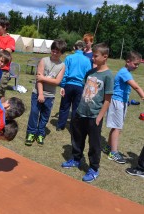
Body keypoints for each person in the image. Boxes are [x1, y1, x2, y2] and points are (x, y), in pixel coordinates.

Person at [61, 43, 114, 183]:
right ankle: (76, 158)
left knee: (94, 144)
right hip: (81, 112)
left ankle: (93, 168)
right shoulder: (90, 72)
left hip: (94, 115)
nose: (93, 58)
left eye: (95, 56)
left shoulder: (108, 76)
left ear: (105, 57)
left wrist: (99, 117)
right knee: (77, 138)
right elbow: (85, 90)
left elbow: (107, 100)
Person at [25, 39, 67, 146]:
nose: (55, 53)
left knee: (45, 116)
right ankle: (31, 133)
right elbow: (39, 79)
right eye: (53, 50)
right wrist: (40, 93)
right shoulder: (44, 60)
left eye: (57, 52)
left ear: (62, 53)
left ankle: (40, 133)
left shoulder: (62, 66)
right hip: (37, 93)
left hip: (50, 96)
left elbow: (57, 81)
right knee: (34, 114)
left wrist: (44, 78)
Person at [104, 51, 144, 164]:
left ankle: (108, 147)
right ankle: (113, 153)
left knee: (116, 127)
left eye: (138, 65)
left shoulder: (126, 72)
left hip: (122, 102)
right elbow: (135, 86)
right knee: (117, 128)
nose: (136, 67)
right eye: (135, 64)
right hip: (117, 102)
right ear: (128, 61)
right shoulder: (124, 72)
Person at [56, 40, 92, 131]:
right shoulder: (87, 61)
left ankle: (60, 125)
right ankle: (74, 127)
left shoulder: (69, 58)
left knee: (64, 106)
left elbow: (64, 73)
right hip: (80, 86)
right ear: (84, 49)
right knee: (76, 108)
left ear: (74, 48)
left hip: (68, 85)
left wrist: (62, 85)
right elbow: (88, 76)